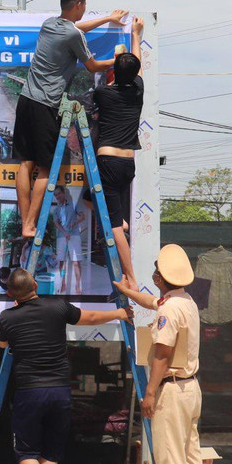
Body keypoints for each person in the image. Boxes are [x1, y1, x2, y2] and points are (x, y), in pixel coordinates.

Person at [0, 267, 131, 464]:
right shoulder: (57, 306)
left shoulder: (7, 317)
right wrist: (119, 313)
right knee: (51, 453)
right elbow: (90, 317)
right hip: (60, 390)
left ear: (12, 293)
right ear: (36, 285)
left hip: (30, 391)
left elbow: (2, 345)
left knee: (26, 452)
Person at [14, 0, 125, 239]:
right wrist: (119, 60)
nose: (84, 10)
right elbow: (93, 66)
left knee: (25, 163)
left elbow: (76, 30)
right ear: (78, 5)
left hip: (26, 99)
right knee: (44, 168)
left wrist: (108, 18)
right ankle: (30, 223)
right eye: (84, 5)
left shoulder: (49, 24)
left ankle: (25, 221)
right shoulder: (73, 36)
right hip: (45, 104)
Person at [114, 244, 205, 464]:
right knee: (191, 453)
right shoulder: (184, 301)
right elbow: (152, 301)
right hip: (191, 388)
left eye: (156, 270)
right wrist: (130, 292)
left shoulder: (169, 310)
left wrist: (150, 393)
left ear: (161, 277)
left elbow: (162, 356)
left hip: (172, 390)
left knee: (170, 457)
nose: (153, 273)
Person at [93, 17, 145, 286]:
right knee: (113, 214)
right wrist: (136, 34)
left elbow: (131, 66)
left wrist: (117, 55)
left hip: (108, 161)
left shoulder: (102, 94)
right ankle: (122, 221)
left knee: (113, 227)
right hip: (128, 165)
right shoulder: (138, 90)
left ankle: (131, 276)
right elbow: (137, 65)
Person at [51, 187, 87, 294]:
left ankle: (77, 285)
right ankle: (63, 284)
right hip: (62, 237)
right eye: (55, 195)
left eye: (59, 194)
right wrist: (64, 232)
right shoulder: (56, 210)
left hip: (74, 235)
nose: (57, 196)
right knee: (62, 261)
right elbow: (56, 223)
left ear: (63, 193)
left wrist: (75, 222)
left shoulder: (74, 204)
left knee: (76, 262)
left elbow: (82, 216)